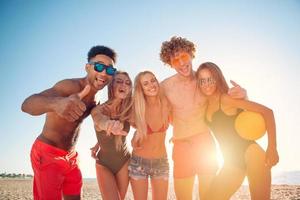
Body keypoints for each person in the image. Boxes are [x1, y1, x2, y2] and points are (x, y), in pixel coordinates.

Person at [21, 45, 117, 200]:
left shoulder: (97, 99)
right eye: (99, 66)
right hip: (48, 153)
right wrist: (56, 104)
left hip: (71, 156)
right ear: (87, 67)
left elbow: (100, 122)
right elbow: (27, 105)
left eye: (110, 70)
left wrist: (100, 143)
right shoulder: (70, 86)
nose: (104, 73)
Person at [159, 36, 247, 199]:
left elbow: (225, 101)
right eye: (175, 60)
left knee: (208, 197)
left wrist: (244, 95)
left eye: (184, 57)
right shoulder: (165, 87)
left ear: (192, 55)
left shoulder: (205, 81)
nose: (181, 63)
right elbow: (156, 113)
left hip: (205, 144)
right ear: (169, 63)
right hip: (181, 145)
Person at [196, 62, 279, 200]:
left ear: (217, 78)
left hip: (252, 155)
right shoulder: (205, 104)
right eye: (202, 81)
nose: (206, 84)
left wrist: (272, 147)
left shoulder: (226, 99)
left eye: (210, 79)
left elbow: (267, 112)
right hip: (231, 161)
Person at [90, 71, 133, 200]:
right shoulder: (99, 110)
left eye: (127, 83)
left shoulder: (130, 109)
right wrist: (109, 125)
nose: (123, 85)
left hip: (124, 161)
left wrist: (98, 143)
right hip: (104, 163)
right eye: (119, 81)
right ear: (111, 85)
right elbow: (100, 121)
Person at [128, 71, 171, 200]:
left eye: (153, 80)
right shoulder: (136, 108)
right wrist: (135, 139)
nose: (151, 85)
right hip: (139, 163)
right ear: (141, 88)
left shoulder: (167, 104)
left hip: (161, 162)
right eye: (145, 83)